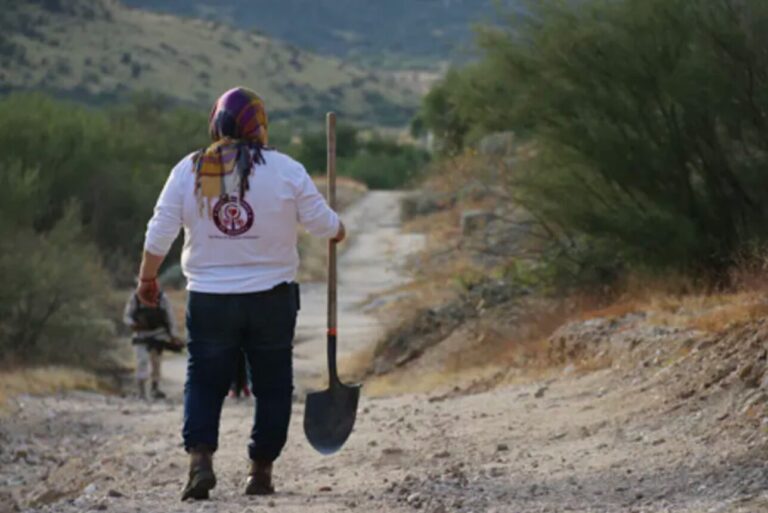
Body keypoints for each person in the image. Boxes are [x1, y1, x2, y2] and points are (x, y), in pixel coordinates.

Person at [133, 87, 346, 501]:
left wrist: (147, 278)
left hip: (210, 299)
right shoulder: (286, 169)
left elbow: (160, 229)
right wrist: (339, 229)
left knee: (205, 381)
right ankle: (260, 472)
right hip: (271, 299)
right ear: (259, 126)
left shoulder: (191, 170)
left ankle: (200, 463)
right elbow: (322, 223)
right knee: (273, 385)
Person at [123, 287, 181, 399]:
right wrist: (134, 324)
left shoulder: (162, 298)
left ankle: (155, 388)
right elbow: (127, 316)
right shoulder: (135, 297)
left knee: (156, 363)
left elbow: (170, 317)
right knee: (142, 361)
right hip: (141, 334)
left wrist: (174, 336)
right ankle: (141, 391)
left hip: (158, 334)